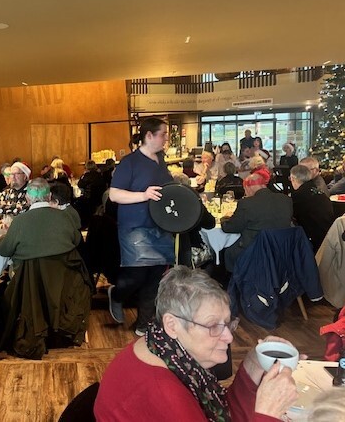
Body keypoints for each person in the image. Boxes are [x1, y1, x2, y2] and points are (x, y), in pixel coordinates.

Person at [94, 266, 298, 421]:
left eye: (227, 323)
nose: (228, 337)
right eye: (212, 326)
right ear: (172, 325)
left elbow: (223, 410)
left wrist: (252, 367)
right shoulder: (165, 393)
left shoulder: (164, 348)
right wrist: (268, 413)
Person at [107, 117, 175, 335]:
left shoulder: (160, 160)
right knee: (137, 275)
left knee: (155, 276)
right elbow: (114, 195)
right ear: (149, 136)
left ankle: (144, 324)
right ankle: (117, 294)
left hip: (160, 226)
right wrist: (143, 195)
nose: (166, 138)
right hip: (135, 227)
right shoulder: (130, 163)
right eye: (163, 134)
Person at [0, 178, 82, 268]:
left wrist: (3, 237)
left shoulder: (19, 221)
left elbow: (3, 250)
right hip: (63, 275)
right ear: (49, 196)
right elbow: (76, 240)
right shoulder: (65, 217)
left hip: (28, 277)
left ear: (27, 198)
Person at [221, 173, 293, 271]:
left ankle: (234, 282)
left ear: (248, 188)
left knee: (227, 252)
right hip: (282, 248)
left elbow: (230, 228)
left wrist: (223, 219)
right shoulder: (286, 200)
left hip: (253, 250)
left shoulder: (246, 203)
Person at [290, 164, 334, 252]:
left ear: (293, 179)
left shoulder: (299, 196)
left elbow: (291, 215)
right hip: (329, 234)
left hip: (313, 241)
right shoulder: (316, 189)